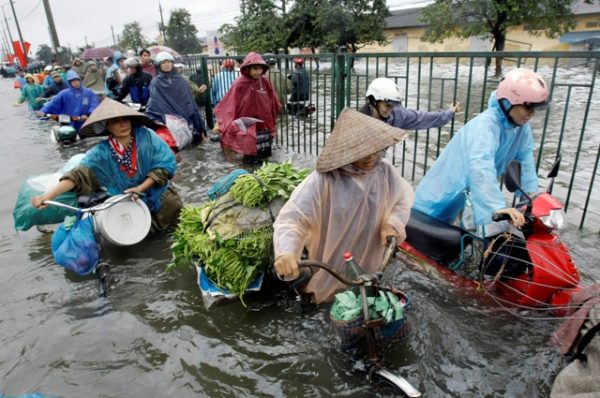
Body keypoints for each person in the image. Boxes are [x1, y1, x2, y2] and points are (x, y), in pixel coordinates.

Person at [273, 108, 413, 304]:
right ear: (347, 149)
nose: (370, 157)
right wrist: (286, 252)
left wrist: (393, 223)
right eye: (362, 151)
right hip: (331, 267)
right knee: (328, 303)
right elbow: (293, 218)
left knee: (369, 299)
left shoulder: (385, 173)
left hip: (371, 263)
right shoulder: (324, 180)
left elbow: (402, 200)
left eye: (374, 149)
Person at [413, 68, 550, 237]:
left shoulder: (520, 129)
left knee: (468, 242)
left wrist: (530, 198)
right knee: (423, 238)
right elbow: (481, 167)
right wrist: (496, 208)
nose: (531, 114)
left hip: (469, 195)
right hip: (441, 194)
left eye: (535, 109)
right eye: (528, 107)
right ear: (508, 102)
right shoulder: (484, 126)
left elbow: (525, 162)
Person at [31, 98, 182, 232]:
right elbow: (78, 176)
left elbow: (165, 166)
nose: (122, 124)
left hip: (163, 202)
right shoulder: (101, 152)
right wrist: (46, 196)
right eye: (116, 121)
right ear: (106, 126)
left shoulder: (147, 136)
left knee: (172, 236)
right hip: (130, 207)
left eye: (125, 119)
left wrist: (140, 188)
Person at [213, 52, 282, 158]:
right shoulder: (239, 83)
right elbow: (229, 104)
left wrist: (274, 114)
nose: (258, 72)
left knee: (263, 149)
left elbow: (271, 98)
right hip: (246, 122)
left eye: (260, 69)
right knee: (247, 149)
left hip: (263, 120)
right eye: (255, 68)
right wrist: (221, 123)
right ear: (248, 68)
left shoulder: (264, 80)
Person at [146, 51, 206, 143]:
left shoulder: (182, 80)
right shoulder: (156, 82)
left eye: (169, 62)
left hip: (185, 120)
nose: (166, 64)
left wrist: (197, 124)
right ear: (159, 65)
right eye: (163, 62)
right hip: (168, 122)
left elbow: (189, 101)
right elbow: (155, 102)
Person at [360, 77, 460, 130]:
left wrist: (449, 112)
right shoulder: (360, 122)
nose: (390, 111)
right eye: (387, 106)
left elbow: (422, 118)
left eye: (393, 106)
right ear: (374, 101)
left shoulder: (397, 114)